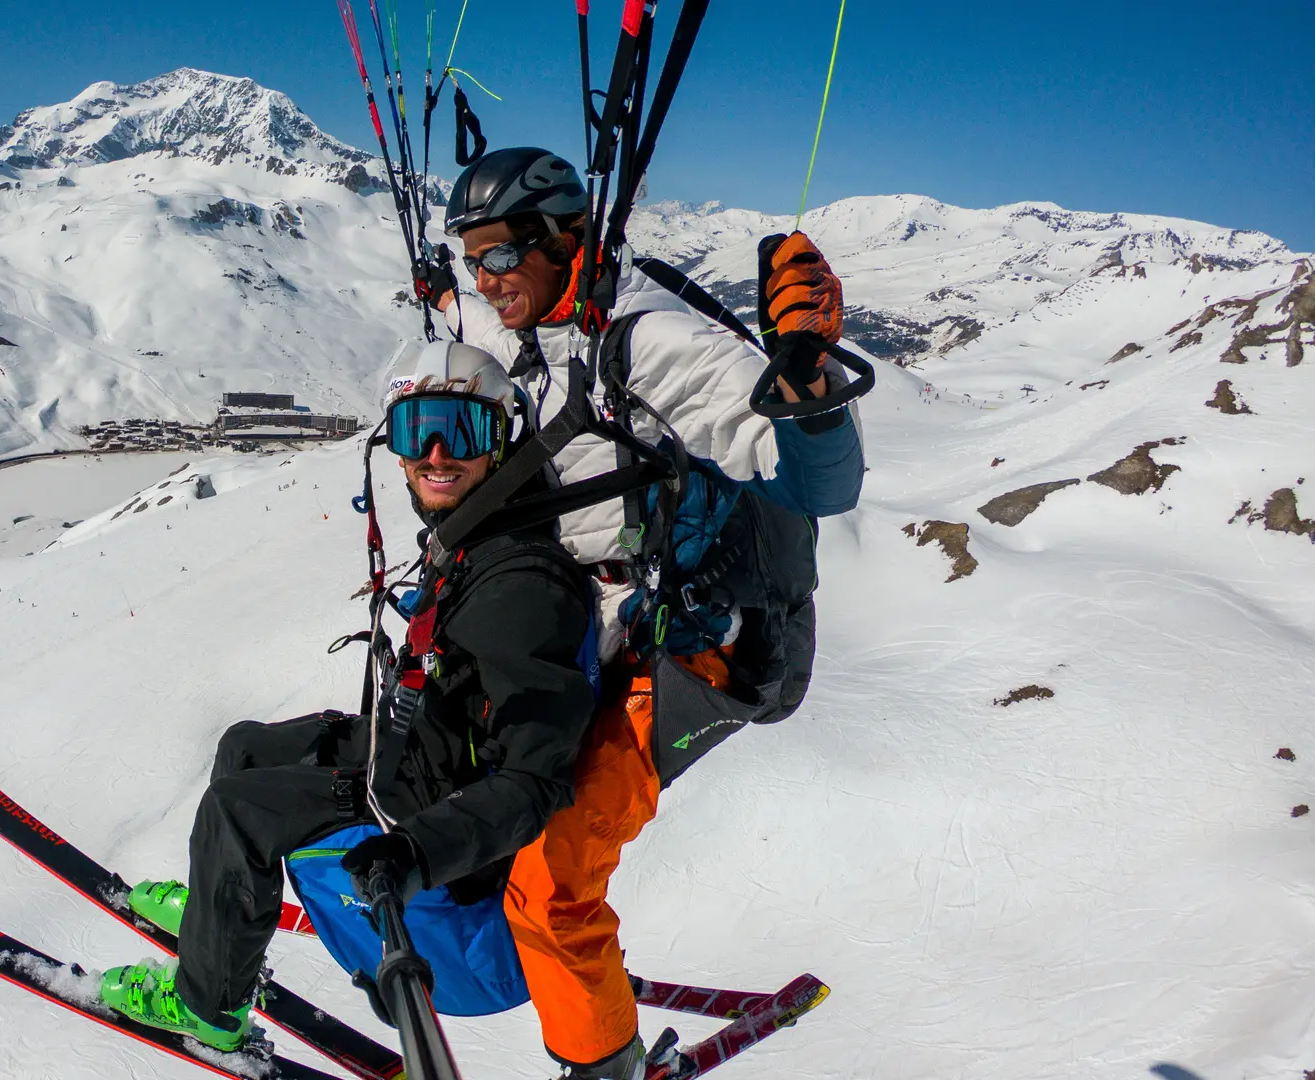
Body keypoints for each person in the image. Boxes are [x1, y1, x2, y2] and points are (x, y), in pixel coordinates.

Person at [427, 147, 866, 1080]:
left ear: (559, 239)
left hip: (687, 651)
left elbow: (818, 481)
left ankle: (604, 1067)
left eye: (500, 255)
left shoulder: (645, 341)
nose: (485, 279)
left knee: (551, 880)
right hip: (592, 632)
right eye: (472, 260)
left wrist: (806, 381)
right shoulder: (542, 334)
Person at [96, 341, 600, 1052]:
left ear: (502, 441)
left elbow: (534, 781)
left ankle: (210, 1008)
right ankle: (225, 920)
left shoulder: (522, 588)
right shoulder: (479, 539)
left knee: (237, 813)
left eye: (461, 430)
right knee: (243, 747)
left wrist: (415, 854)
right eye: (414, 429)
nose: (433, 453)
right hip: (419, 760)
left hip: (435, 825)